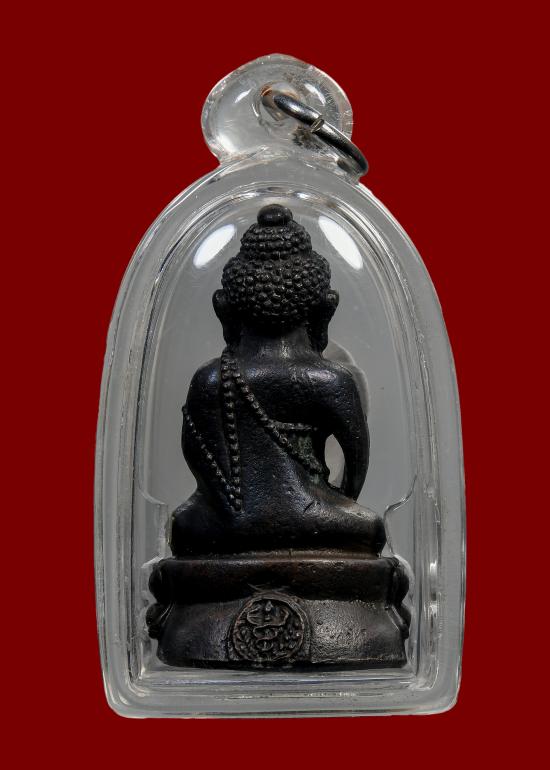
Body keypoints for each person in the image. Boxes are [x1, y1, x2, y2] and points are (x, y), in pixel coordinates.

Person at [171, 205, 385, 556]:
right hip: (310, 515)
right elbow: (356, 466)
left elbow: (199, 462)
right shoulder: (329, 379)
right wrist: (334, 500)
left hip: (224, 526)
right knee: (370, 527)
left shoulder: (210, 378)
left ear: (223, 308)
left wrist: (234, 511)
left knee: (181, 524)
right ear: (325, 308)